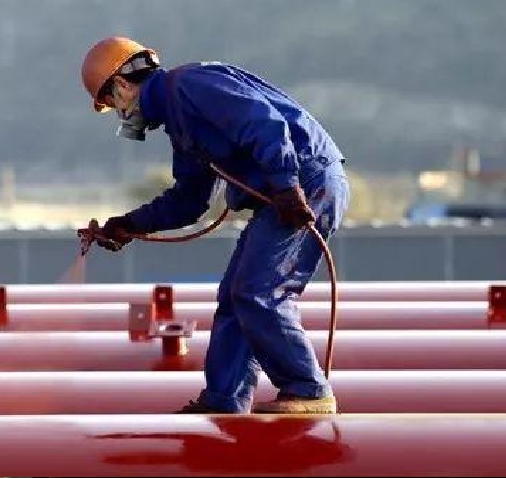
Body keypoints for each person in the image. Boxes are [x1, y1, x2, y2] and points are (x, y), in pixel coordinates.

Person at [80, 36, 350, 414]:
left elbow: (266, 125)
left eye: (113, 104)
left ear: (122, 84)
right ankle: (226, 402)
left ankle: (308, 391)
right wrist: (128, 225)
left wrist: (288, 186)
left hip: (307, 184)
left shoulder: (192, 85)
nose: (122, 114)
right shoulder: (180, 120)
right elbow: (190, 200)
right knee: (235, 298)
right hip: (284, 191)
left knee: (258, 292)